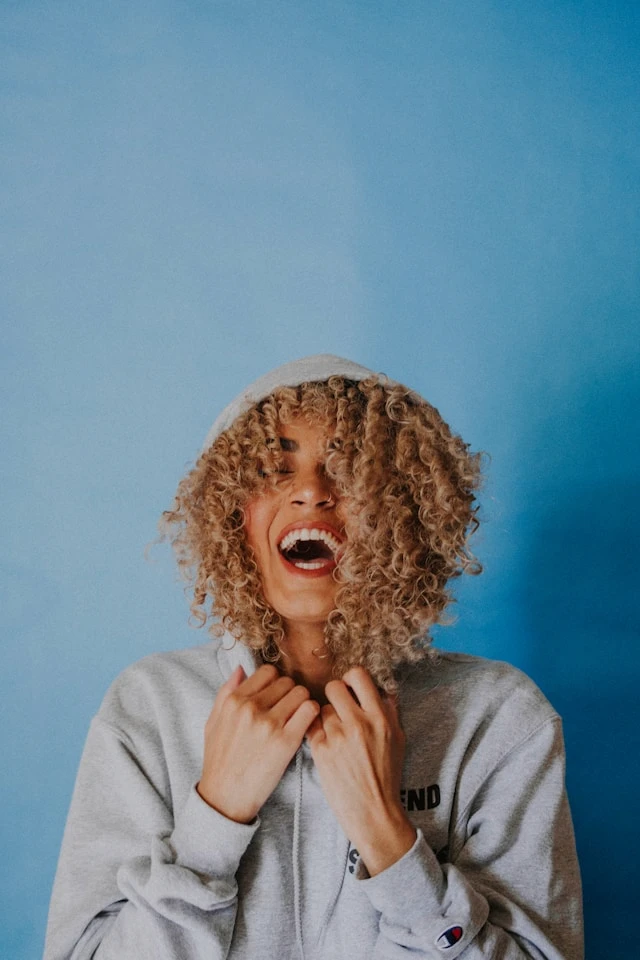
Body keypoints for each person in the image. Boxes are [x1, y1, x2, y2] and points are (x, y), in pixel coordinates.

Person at [43, 354, 584, 960]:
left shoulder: (500, 719)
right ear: (232, 515)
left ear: (404, 511)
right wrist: (214, 821)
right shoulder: (149, 708)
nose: (310, 492)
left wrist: (389, 838)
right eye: (274, 469)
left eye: (349, 468)